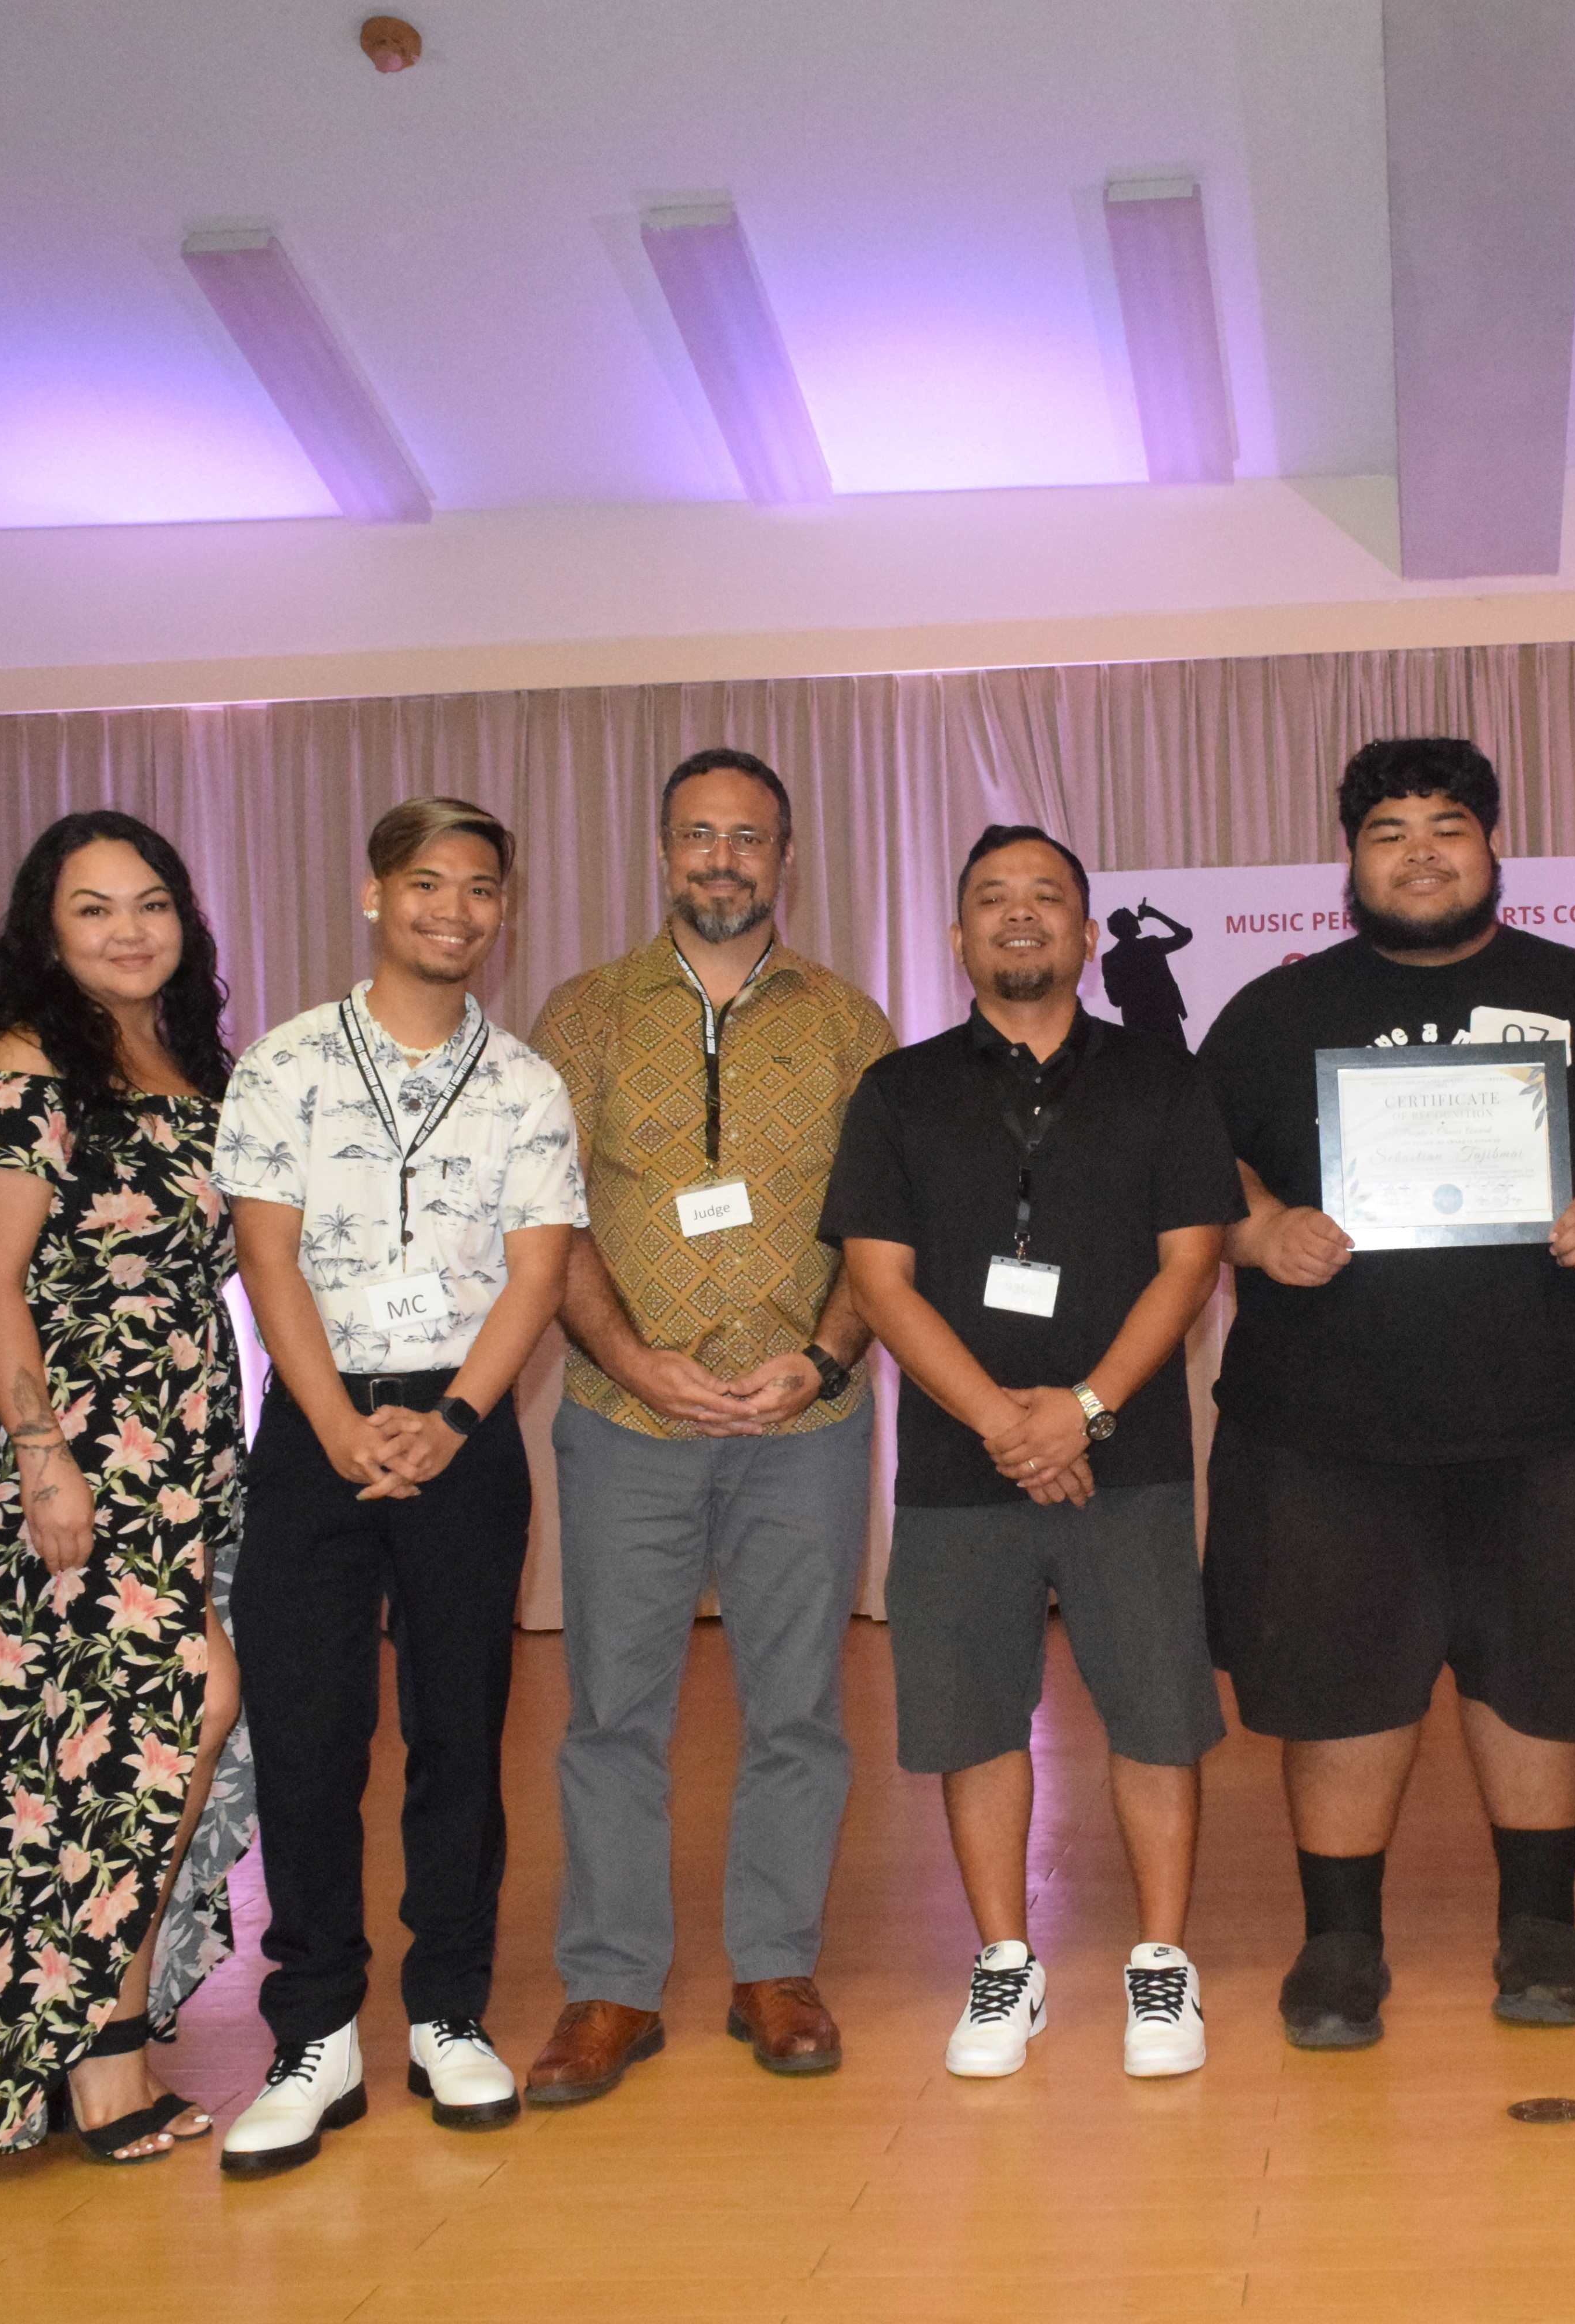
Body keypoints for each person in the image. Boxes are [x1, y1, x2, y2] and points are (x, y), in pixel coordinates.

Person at [1198, 736, 1575, 2049]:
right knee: (1337, 1677)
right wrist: (1261, 1234)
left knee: (1543, 1668)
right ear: (1349, 859)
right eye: (1388, 830)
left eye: (1446, 826)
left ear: (1493, 847)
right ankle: (1341, 1942)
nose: (1420, 850)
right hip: (1325, 1424)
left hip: (1560, 1422)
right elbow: (1204, 1167)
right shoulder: (1272, 1011)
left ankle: (1540, 1923)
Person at [821, 824, 1240, 2078]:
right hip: (962, 1464)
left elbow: (1193, 1260)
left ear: (1085, 929)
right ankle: (1006, 1960)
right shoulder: (899, 1090)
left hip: (1135, 1453)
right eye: (992, 899)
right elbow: (878, 1281)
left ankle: (1163, 1960)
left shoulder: (1163, 1080)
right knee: (972, 1715)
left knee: (1161, 1710)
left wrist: (1087, 1408)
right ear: (957, 936)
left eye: (1046, 898)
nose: (1020, 916)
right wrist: (1007, 1420)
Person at [210, 797, 584, 2173]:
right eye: (427, 883)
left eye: (481, 888)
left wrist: (455, 1414)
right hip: (315, 1432)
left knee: (458, 1732)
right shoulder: (285, 1063)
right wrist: (338, 1421)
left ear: (504, 907)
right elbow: (269, 1259)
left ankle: (447, 2009)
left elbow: (538, 1271)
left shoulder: (530, 1083)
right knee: (309, 1738)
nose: (454, 910)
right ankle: (313, 2032)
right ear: (376, 894)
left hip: (466, 1430)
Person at [523, 749, 894, 2095]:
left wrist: (825, 1356)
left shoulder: (851, 1024)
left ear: (786, 859)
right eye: (698, 836)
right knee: (614, 1712)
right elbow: (544, 1217)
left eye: (750, 838)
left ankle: (773, 1966)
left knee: (798, 1706)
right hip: (629, 1420)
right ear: (662, 853)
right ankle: (612, 1987)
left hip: (805, 1426)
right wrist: (634, 1354)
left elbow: (885, 1226)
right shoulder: (582, 1015)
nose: (723, 859)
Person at [0, 811, 255, 2163]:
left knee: (119, 1751)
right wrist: (41, 1457)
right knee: (176, 1708)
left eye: (151, 903)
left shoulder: (186, 1057)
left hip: (181, 1447)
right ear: (43, 930)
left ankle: (103, 2043)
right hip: (69, 1448)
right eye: (93, 909)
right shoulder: (23, 1066)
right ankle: (92, 2053)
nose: (129, 930)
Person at [1099, 902, 1196, 1045]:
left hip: (1137, 1026)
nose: (1137, 920)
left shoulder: (1111, 958)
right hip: (1167, 1019)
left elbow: (1115, 1000)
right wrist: (1155, 914)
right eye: (1133, 918)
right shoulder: (1151, 945)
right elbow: (1185, 935)